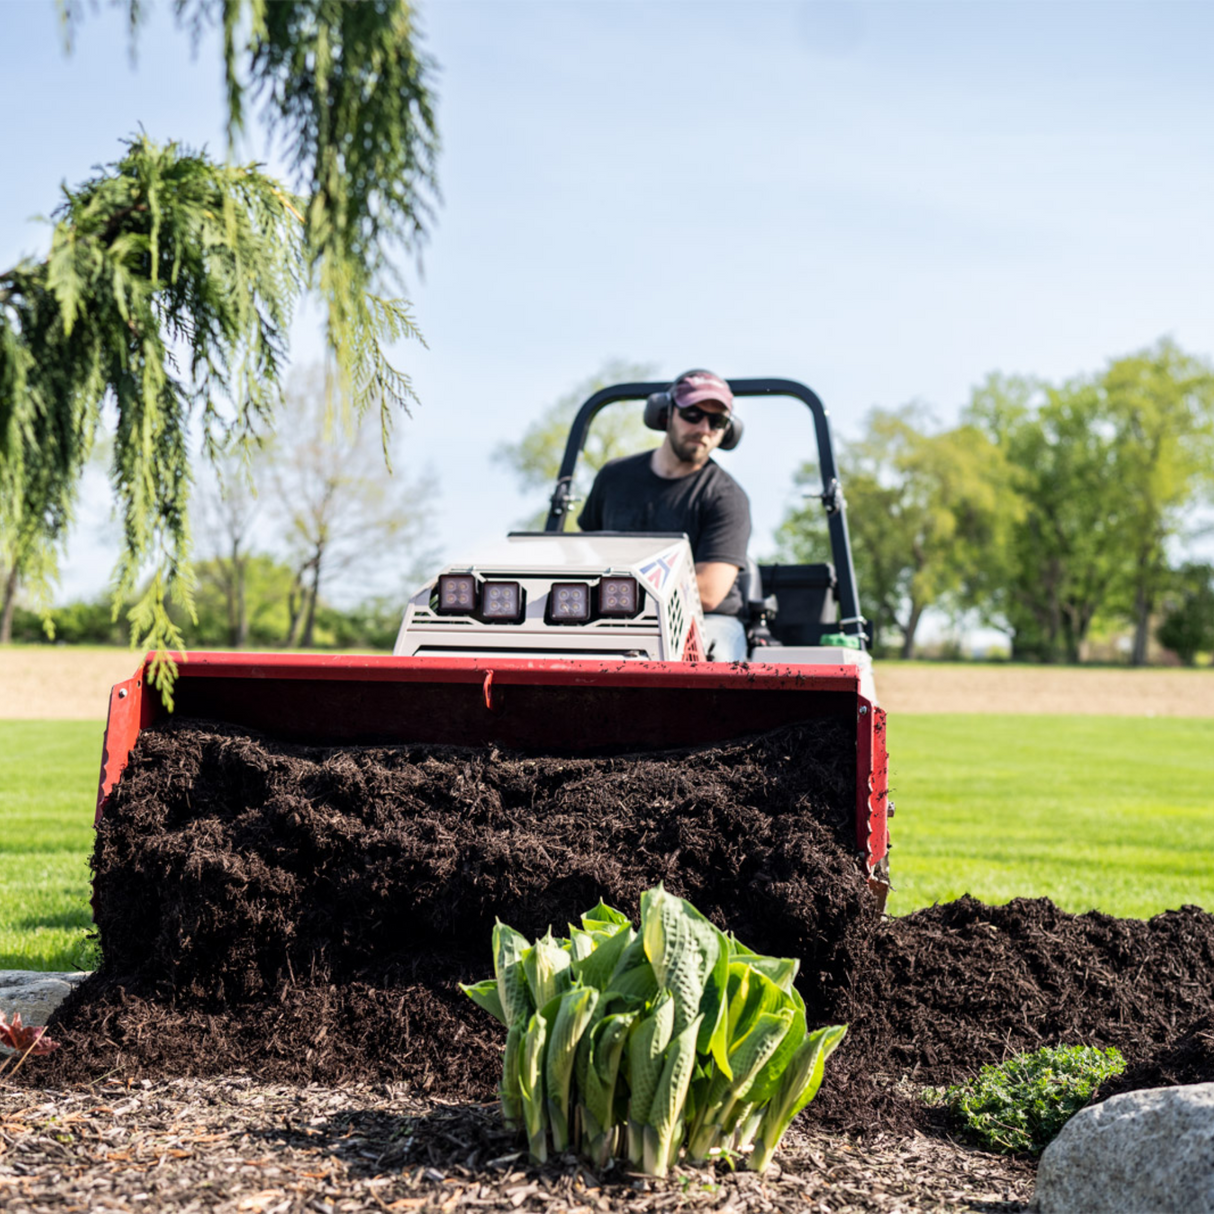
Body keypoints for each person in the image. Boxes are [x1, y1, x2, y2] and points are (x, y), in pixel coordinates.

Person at [578, 369, 751, 662]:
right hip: (615, 612)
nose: (705, 428)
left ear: (728, 431)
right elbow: (583, 553)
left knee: (713, 658)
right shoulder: (614, 477)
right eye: (693, 414)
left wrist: (626, 599)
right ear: (665, 413)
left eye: (717, 421)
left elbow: (708, 592)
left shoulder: (727, 496)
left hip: (706, 618)